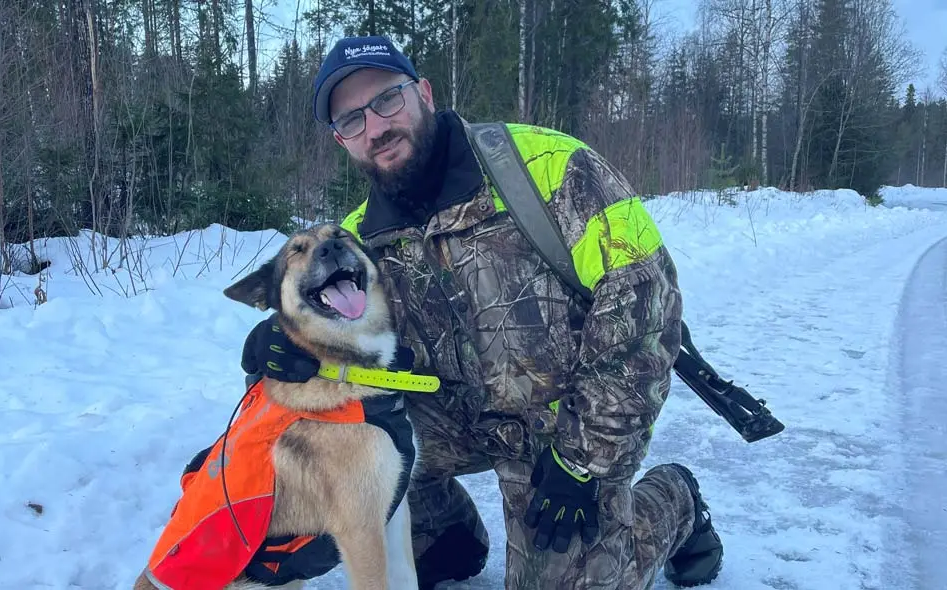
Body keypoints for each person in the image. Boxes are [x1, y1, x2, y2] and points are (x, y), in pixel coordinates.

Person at [241, 34, 724, 590]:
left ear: (423, 92)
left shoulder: (550, 169)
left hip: (557, 430)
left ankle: (673, 499)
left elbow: (645, 317)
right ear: (341, 140)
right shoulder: (355, 242)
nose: (375, 128)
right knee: (358, 430)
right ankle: (446, 534)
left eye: (386, 100)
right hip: (449, 418)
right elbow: (335, 353)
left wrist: (585, 460)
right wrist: (276, 346)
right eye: (351, 121)